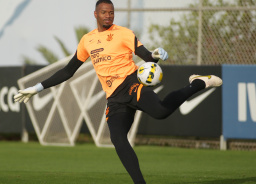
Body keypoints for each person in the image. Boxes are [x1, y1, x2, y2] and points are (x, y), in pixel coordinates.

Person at [14, 0, 222, 183]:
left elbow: (147, 56)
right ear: (95, 14)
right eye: (104, 12)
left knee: (161, 112)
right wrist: (36, 88)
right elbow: (69, 71)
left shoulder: (123, 33)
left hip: (131, 83)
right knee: (118, 140)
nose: (108, 15)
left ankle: (197, 83)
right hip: (114, 98)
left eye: (111, 12)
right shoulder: (87, 40)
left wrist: (155, 54)